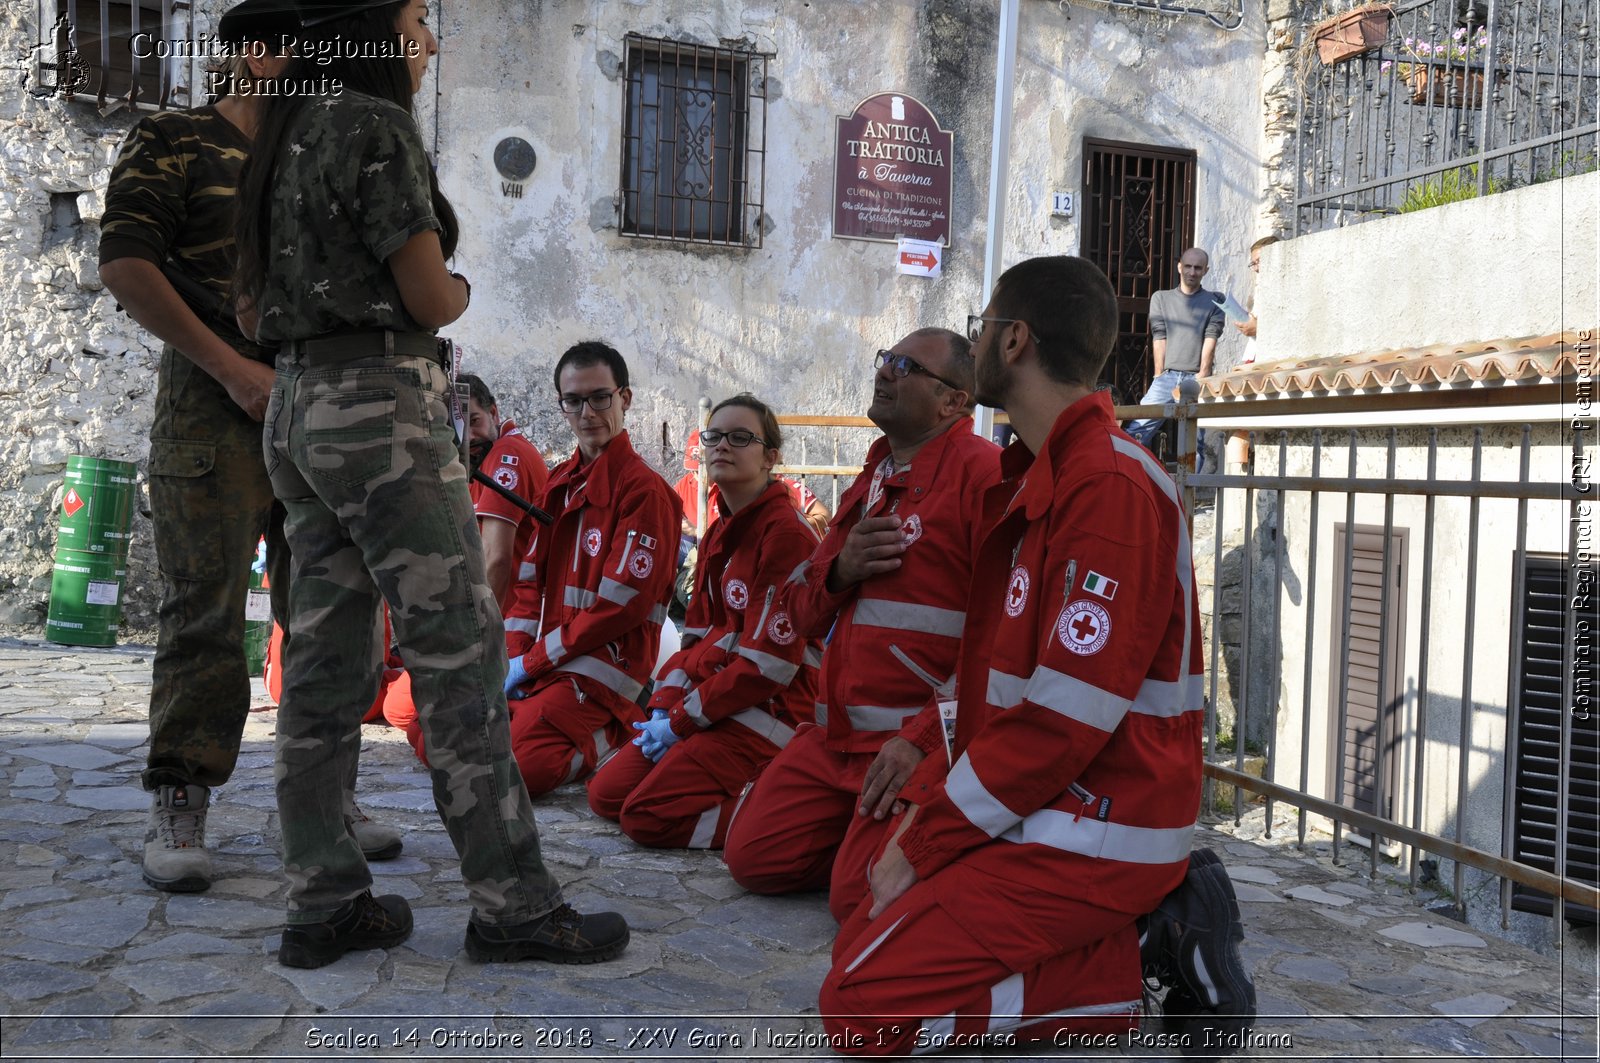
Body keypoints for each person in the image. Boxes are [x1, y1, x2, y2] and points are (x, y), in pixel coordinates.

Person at [233, 0, 625, 969]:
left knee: (321, 658)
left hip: (296, 404)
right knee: (455, 647)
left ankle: (321, 897)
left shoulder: (276, 131)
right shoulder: (372, 128)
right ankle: (512, 902)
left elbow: (247, 304)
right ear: (372, 25)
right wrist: (456, 293)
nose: (429, 39)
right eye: (417, 17)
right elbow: (423, 290)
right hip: (380, 408)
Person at [819, 256, 1254, 1056]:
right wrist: (924, 773)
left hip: (1100, 822)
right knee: (857, 900)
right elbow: (997, 681)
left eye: (983, 326)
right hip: (1040, 797)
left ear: (1014, 339)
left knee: (858, 1009)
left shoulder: (1110, 488)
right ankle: (1108, 943)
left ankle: (1128, 975)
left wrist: (929, 837)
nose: (976, 339)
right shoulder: (1041, 478)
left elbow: (1062, 718)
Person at [98, 0, 397, 894]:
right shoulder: (175, 141)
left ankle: (328, 793)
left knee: (330, 611)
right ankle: (180, 798)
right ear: (259, 56)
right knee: (205, 607)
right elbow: (125, 264)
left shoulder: (321, 154)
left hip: (319, 406)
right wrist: (231, 368)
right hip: (211, 408)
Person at [722, 330, 1000, 925]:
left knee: (858, 901)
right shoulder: (875, 473)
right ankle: (867, 844)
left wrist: (923, 741)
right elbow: (798, 610)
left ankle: (964, 852)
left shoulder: (983, 476)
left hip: (908, 743)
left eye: (906, 367)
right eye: (885, 360)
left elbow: (999, 640)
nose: (885, 373)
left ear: (954, 402)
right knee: (752, 859)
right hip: (833, 738)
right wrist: (842, 572)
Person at [587, 395, 821, 848]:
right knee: (605, 796)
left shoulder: (787, 535)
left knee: (646, 819)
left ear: (770, 457)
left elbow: (767, 668)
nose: (721, 447)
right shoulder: (718, 531)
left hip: (770, 710)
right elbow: (696, 636)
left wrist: (680, 722)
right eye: (714, 437)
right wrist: (667, 704)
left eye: (740, 438)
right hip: (715, 699)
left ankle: (778, 809)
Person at [501, 341, 681, 798]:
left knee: (518, 772)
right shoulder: (559, 483)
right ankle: (530, 717)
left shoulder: (645, 493)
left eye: (600, 397)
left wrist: (532, 662)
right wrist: (513, 657)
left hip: (604, 668)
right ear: (562, 405)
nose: (587, 412)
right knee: (434, 729)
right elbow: (526, 583)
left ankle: (622, 731)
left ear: (624, 399)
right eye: (573, 400)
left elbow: (619, 608)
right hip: (552, 659)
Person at [376, 371, 550, 762]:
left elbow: (498, 558)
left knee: (400, 710)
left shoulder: (507, 455)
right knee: (396, 706)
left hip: (511, 621)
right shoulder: (479, 458)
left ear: (494, 411)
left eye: (474, 421)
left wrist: (474, 638)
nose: (468, 435)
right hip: (496, 612)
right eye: (457, 426)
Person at [1125, 247, 1224, 458]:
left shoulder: (1215, 300)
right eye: (1188, 266)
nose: (1192, 272)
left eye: (1198, 268)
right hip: (1167, 377)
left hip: (1197, 378)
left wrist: (1203, 375)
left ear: (1206, 270)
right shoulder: (1161, 298)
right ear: (1179, 267)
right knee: (1136, 432)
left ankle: (1192, 491)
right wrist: (1159, 374)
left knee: (1199, 444)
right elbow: (1159, 336)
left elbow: (1211, 337)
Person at [1236, 235, 1280, 363]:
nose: (1256, 268)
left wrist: (1259, 328)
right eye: (1253, 263)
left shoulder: (1287, 287)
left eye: (1259, 261)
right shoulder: (1263, 287)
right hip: (1256, 353)